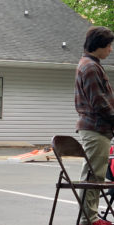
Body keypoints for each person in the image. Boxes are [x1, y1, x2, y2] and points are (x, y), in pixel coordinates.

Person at [75, 26, 114, 225]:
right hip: (96, 128)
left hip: (97, 128)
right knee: (93, 176)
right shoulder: (90, 67)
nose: (110, 49)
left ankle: (90, 217)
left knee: (94, 174)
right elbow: (99, 103)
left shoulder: (90, 64)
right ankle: (89, 219)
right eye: (108, 45)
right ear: (99, 45)